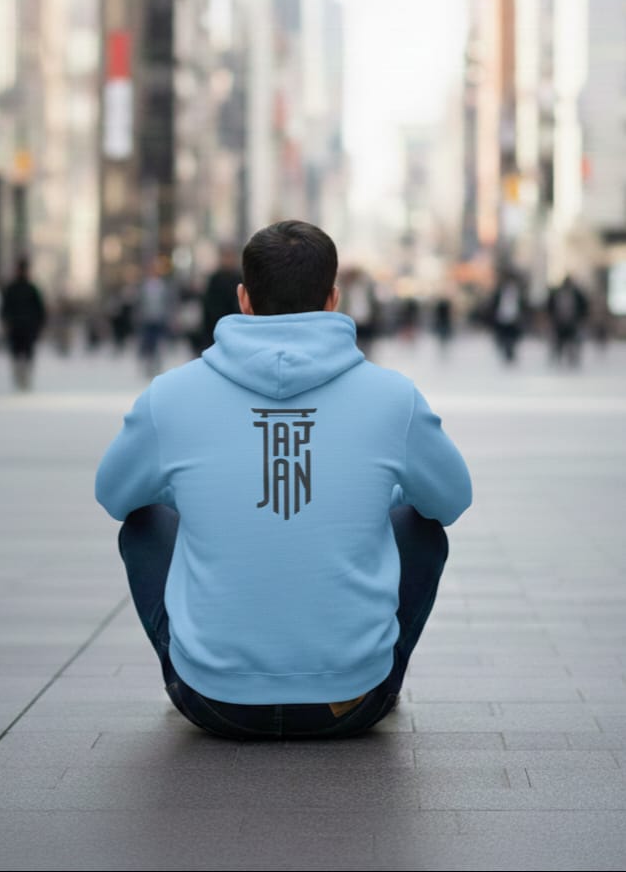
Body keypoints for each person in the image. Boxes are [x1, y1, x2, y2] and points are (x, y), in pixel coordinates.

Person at [95, 220, 472, 741]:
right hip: (353, 702)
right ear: (333, 298)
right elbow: (452, 501)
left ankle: (201, 665)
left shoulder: (171, 396)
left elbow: (114, 496)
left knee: (145, 521)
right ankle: (371, 670)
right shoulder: (392, 398)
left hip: (212, 702)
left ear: (244, 299)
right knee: (420, 525)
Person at [0, 256, 47, 390]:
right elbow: (5, 308)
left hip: (27, 326)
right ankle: (20, 376)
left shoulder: (30, 288)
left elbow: (40, 309)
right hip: (18, 326)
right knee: (19, 353)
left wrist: (39, 324)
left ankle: (24, 377)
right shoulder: (15, 288)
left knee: (26, 353)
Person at [200, 244, 242, 352]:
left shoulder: (239, 278)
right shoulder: (215, 279)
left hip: (235, 325)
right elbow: (208, 303)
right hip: (215, 325)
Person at [546, 274, 589, 367]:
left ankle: (572, 358)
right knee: (559, 342)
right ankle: (558, 357)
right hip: (559, 322)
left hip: (572, 322)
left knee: (573, 341)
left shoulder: (577, 294)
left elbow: (584, 307)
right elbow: (550, 306)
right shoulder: (557, 293)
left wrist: (581, 319)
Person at [490, 266, 527, 364]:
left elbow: (523, 304)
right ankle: (507, 353)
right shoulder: (500, 291)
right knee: (504, 337)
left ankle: (510, 353)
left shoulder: (518, 291)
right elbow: (494, 303)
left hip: (514, 318)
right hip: (502, 317)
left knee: (512, 338)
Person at [340, 265, 380, 356]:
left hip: (366, 320)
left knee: (367, 345)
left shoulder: (367, 287)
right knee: (355, 343)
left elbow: (373, 303)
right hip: (352, 320)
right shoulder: (346, 289)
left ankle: (366, 360)